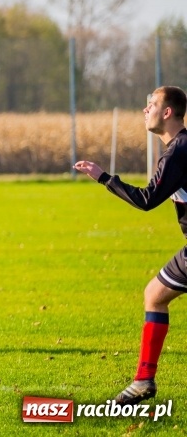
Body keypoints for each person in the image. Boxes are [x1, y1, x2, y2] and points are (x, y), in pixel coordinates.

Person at [74, 85, 187, 406]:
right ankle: (143, 380)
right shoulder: (181, 148)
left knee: (154, 296)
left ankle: (143, 381)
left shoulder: (179, 150)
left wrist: (104, 178)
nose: (144, 109)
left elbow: (148, 199)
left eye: (151, 104)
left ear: (167, 112)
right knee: (154, 295)